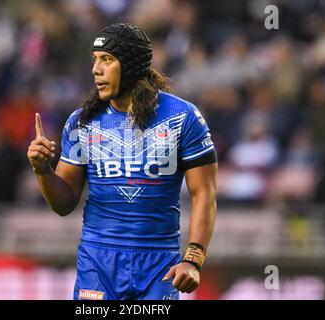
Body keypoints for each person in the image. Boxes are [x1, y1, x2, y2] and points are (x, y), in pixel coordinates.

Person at [27, 23, 218, 300]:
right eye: (95, 60)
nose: (96, 69)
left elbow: (204, 193)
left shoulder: (182, 117)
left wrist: (193, 258)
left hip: (159, 266)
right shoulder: (81, 123)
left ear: (130, 65)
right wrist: (42, 170)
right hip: (98, 263)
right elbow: (64, 202)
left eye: (107, 60)